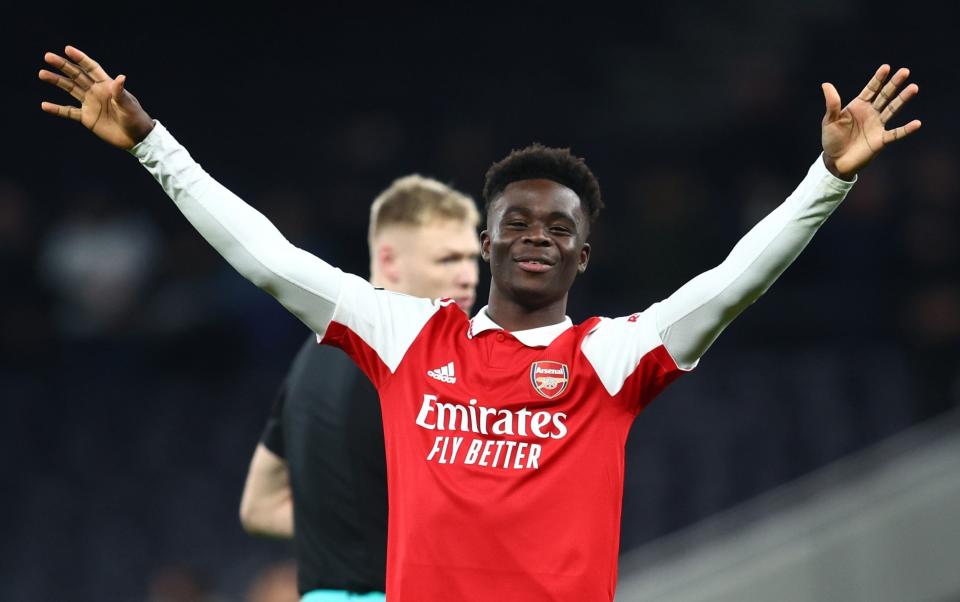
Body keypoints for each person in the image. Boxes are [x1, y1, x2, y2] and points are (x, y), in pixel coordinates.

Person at [39, 46, 921, 601]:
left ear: (583, 255)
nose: (538, 237)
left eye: (560, 229)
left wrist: (826, 179)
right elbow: (268, 259)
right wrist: (155, 146)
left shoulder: (610, 357)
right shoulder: (406, 337)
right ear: (485, 240)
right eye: (517, 223)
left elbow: (735, 283)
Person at [238, 175, 480, 601]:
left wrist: (344, 533)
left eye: (471, 259)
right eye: (446, 260)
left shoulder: (308, 359)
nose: (467, 278)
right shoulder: (430, 363)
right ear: (389, 262)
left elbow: (259, 507)